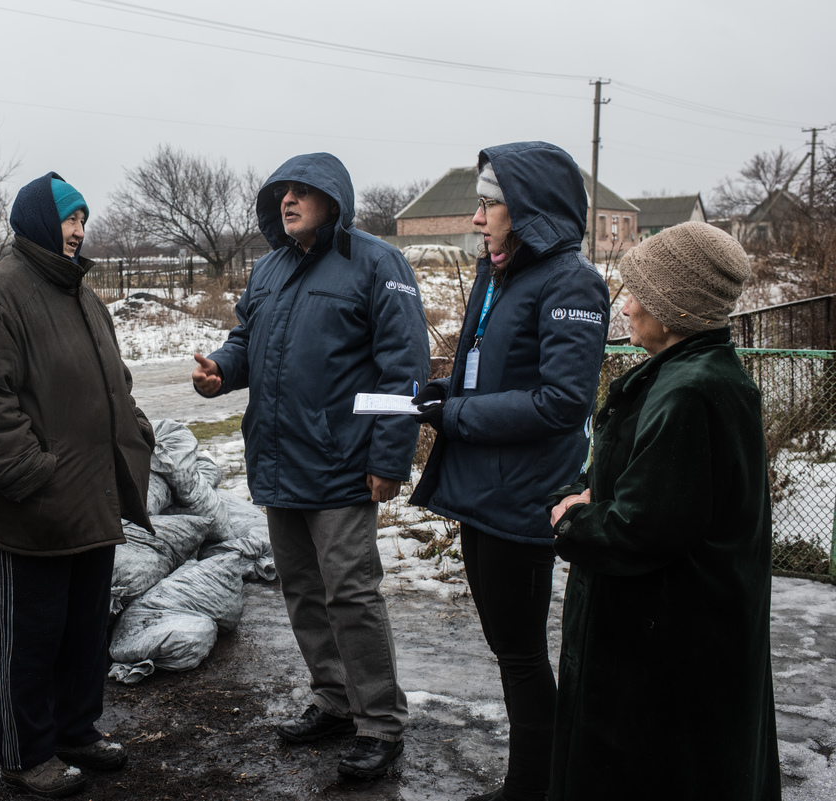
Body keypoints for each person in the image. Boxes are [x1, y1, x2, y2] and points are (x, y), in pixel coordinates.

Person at [192, 152, 429, 780]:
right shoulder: (268, 268)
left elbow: (402, 367)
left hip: (343, 463)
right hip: (279, 458)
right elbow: (248, 338)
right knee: (300, 591)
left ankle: (379, 721)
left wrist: (388, 456)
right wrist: (222, 368)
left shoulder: (377, 264)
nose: (288, 201)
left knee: (350, 594)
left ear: (334, 201)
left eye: (302, 192)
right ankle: (333, 699)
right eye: (281, 193)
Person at [546, 222, 781, 801]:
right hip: (689, 630)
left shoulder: (688, 393)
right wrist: (594, 488)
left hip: (664, 640)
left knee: (654, 772)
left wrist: (571, 520)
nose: (625, 306)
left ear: (673, 306)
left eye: (636, 293)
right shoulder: (698, 377)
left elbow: (643, 528)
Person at [409, 142, 610, 801]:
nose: (477, 216)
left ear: (529, 209)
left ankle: (532, 788)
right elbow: (486, 374)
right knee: (509, 648)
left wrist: (457, 412)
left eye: (489, 202)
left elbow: (562, 401)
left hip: (523, 495)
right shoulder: (498, 274)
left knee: (522, 655)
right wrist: (445, 390)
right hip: (480, 488)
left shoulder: (571, 282)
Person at [0, 172, 156, 798]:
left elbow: (112, 377)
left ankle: (75, 730)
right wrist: (31, 473)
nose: (78, 231)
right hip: (28, 509)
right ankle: (25, 753)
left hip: (88, 500)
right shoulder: (0, 293)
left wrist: (135, 430)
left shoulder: (82, 296)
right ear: (38, 221)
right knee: (25, 641)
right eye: (69, 219)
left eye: (83, 220)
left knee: (82, 633)